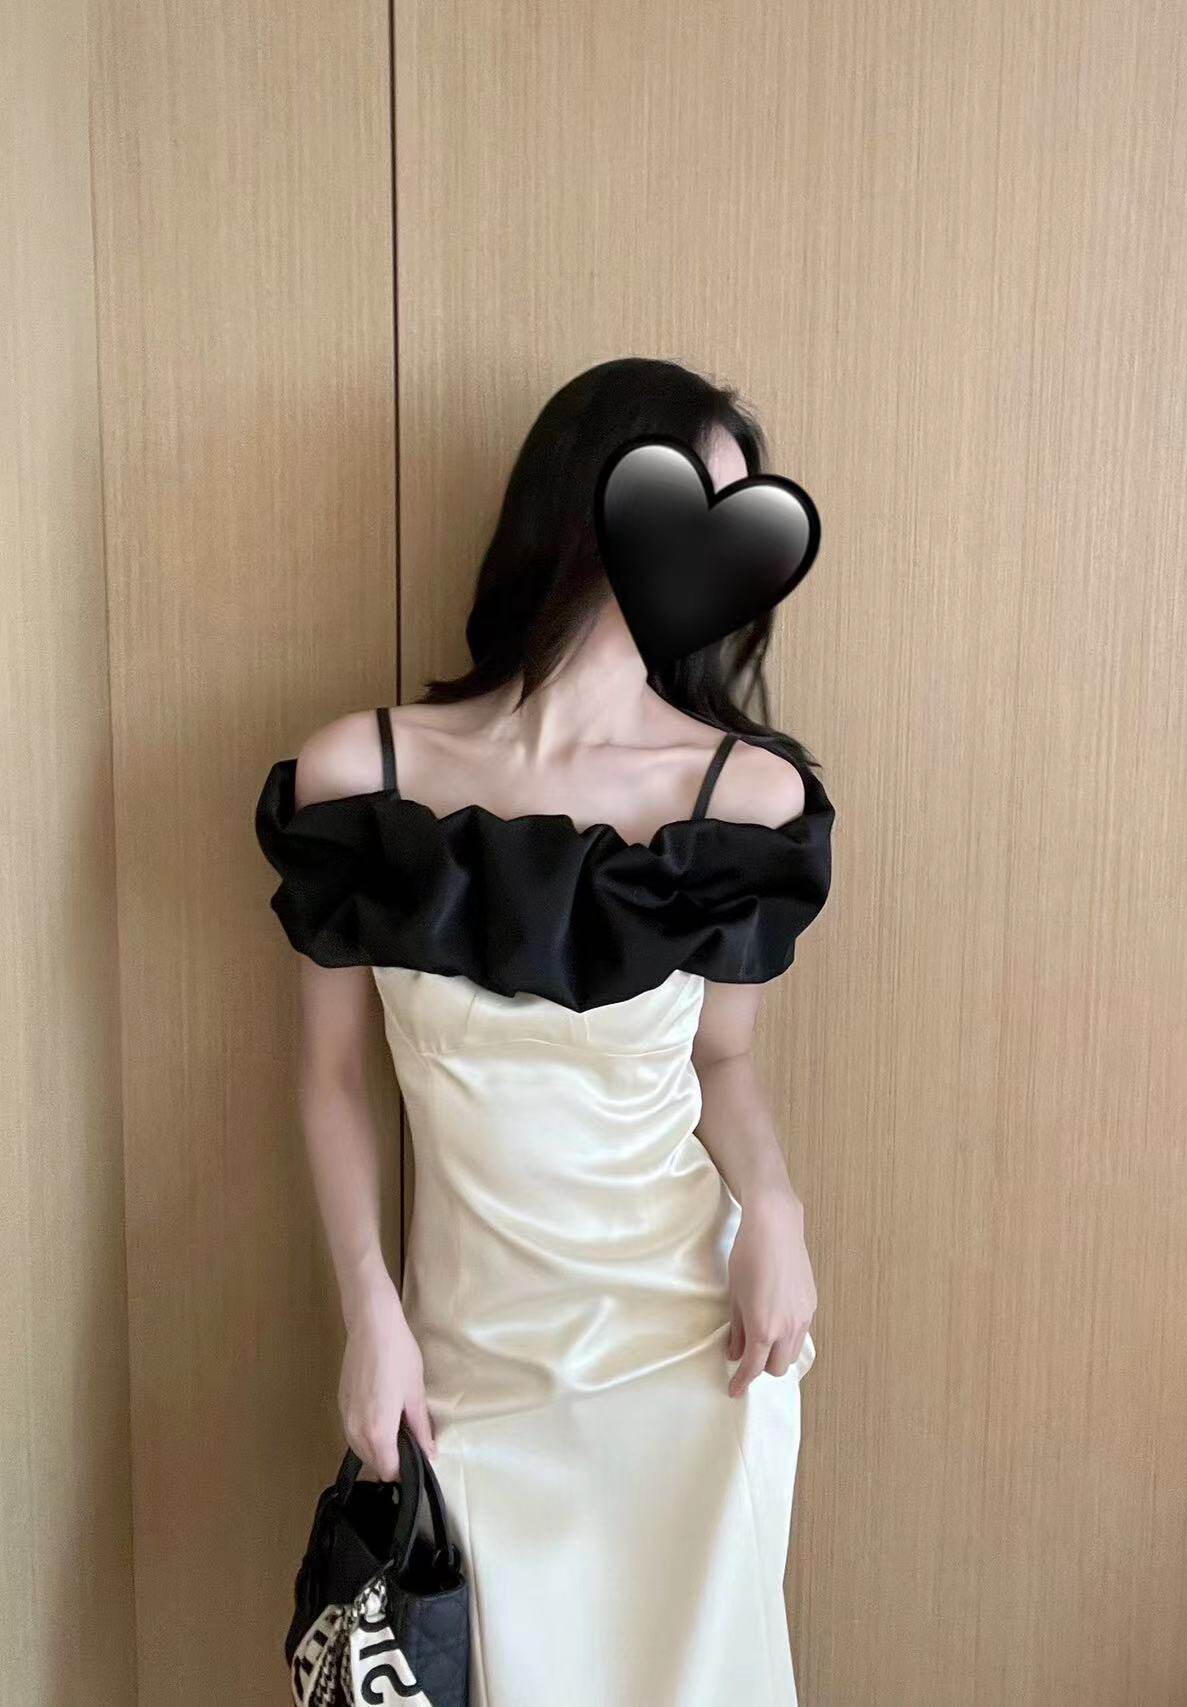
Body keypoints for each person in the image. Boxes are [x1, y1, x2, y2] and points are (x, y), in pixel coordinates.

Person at [254, 356, 836, 1705]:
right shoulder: (363, 777)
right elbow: (332, 1081)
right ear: (589, 504)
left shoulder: (739, 798)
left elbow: (724, 1060)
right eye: (689, 512)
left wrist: (779, 1212)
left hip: (692, 1355)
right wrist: (368, 1312)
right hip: (467, 1363)